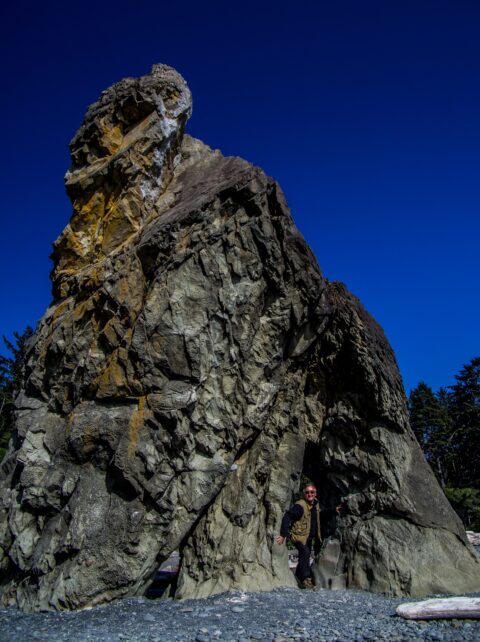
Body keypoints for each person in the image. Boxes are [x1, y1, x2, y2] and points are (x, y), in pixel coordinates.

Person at [276, 484, 340, 589]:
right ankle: (306, 579)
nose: (309, 494)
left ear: (315, 494)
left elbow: (321, 513)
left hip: (309, 537)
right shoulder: (300, 506)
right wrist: (283, 535)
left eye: (312, 492)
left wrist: (334, 510)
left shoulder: (316, 504)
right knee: (305, 552)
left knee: (304, 555)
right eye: (307, 492)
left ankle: (297, 577)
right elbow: (287, 516)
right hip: (299, 537)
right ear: (304, 494)